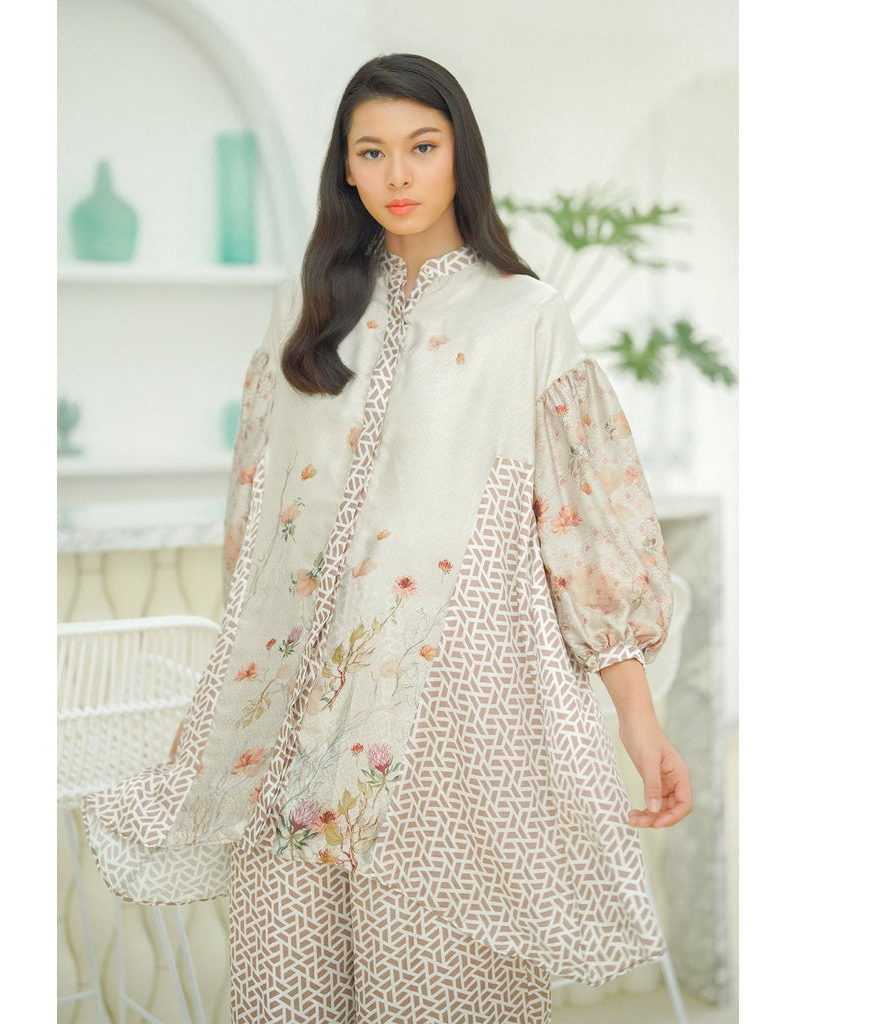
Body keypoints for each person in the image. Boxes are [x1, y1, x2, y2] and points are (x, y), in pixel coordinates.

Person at [84, 52, 691, 1024]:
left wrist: (637, 715)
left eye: (422, 146)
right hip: (292, 719)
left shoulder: (522, 316)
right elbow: (256, 507)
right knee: (287, 993)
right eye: (372, 152)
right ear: (346, 167)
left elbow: (585, 526)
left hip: (452, 717)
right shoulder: (305, 310)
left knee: (438, 994)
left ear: (460, 156)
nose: (398, 174)